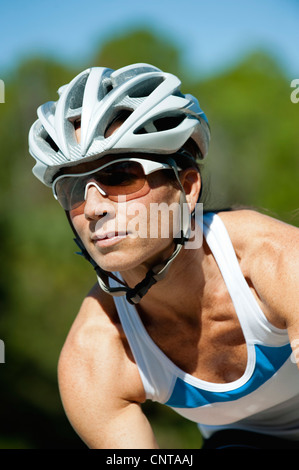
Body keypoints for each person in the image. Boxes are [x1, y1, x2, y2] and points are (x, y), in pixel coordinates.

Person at [28, 63, 299, 450]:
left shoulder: (280, 262)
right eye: (71, 187)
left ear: (186, 188)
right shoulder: (94, 353)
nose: (92, 208)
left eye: (121, 176)